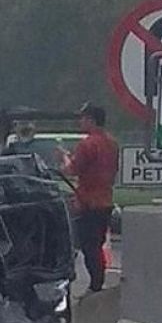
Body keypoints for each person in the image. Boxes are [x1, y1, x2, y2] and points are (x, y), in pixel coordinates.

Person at [59, 103, 119, 295]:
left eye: (83, 118)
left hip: (88, 202)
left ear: (91, 120)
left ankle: (95, 285)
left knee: (88, 245)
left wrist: (65, 158)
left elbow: (71, 170)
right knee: (97, 243)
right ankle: (98, 282)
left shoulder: (87, 144)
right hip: (106, 201)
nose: (80, 122)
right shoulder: (112, 143)